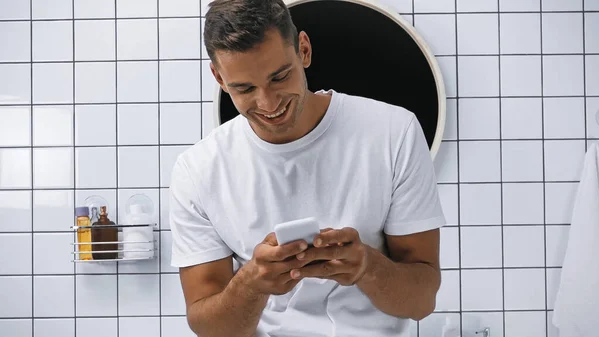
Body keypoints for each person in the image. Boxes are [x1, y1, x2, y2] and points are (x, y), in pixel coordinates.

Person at [169, 0, 446, 336]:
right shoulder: (198, 171)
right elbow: (209, 328)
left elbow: (421, 302)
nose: (269, 104)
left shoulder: (393, 133)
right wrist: (252, 283)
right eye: (245, 89)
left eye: (280, 76)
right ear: (219, 78)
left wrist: (366, 267)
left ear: (303, 50)